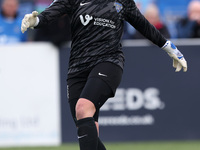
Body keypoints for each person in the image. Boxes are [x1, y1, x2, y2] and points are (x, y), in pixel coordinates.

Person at [21, 0, 187, 150]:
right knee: (86, 126)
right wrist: (35, 21)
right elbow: (51, 14)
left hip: (108, 61)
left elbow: (144, 26)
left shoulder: (123, 2)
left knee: (82, 108)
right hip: (77, 68)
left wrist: (169, 48)